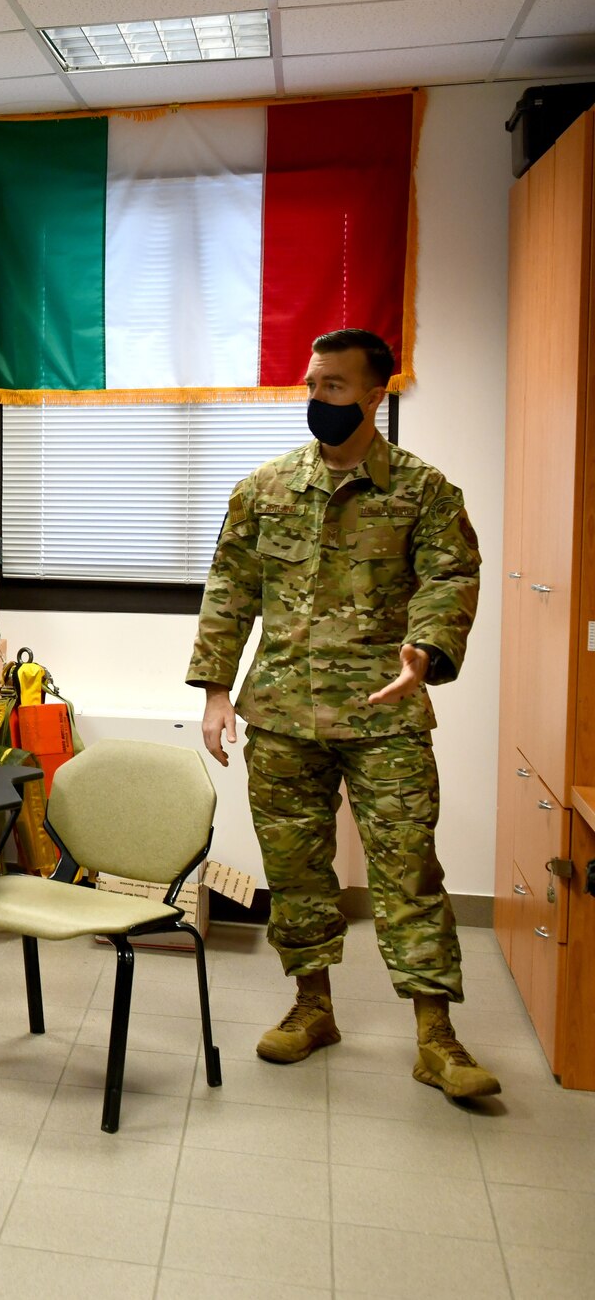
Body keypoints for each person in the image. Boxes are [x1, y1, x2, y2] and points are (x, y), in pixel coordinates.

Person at [188, 328, 495, 1098]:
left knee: (408, 872)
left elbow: (450, 576)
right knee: (295, 872)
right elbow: (229, 589)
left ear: (374, 394)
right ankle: (311, 1005)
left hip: (383, 715)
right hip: (284, 714)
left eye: (333, 385)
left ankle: (438, 1037)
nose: (317, 397)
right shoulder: (265, 488)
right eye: (312, 382)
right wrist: (216, 693)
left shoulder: (423, 490)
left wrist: (424, 650)